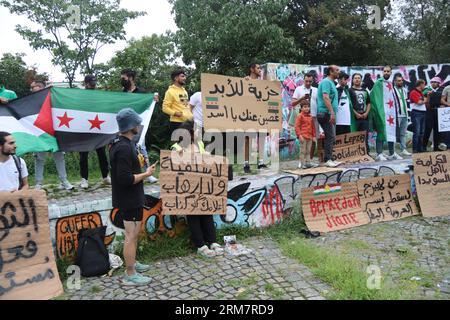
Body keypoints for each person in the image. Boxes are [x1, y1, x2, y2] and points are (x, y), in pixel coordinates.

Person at [109, 108, 156, 286]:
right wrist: (147, 174)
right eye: (136, 123)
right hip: (129, 198)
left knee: (134, 234)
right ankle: (130, 273)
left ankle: (132, 262)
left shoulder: (123, 144)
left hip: (131, 197)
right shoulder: (123, 148)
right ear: (131, 126)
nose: (139, 126)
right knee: (131, 235)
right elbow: (125, 179)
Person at [171, 120, 223, 257]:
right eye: (196, 129)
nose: (199, 131)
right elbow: (172, 167)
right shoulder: (176, 147)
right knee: (193, 215)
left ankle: (212, 241)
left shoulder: (199, 144)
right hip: (187, 187)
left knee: (207, 212)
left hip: (202, 183)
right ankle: (200, 245)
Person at [30, 80, 74, 190]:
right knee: (39, 158)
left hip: (53, 132)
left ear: (42, 88)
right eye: (32, 90)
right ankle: (38, 183)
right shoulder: (30, 101)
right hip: (39, 133)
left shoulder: (52, 97)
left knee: (59, 157)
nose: (33, 91)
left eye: (35, 89)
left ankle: (64, 180)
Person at [121, 69, 159, 184]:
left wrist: (153, 100)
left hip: (139, 125)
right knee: (129, 148)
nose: (122, 80)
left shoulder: (141, 92)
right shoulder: (121, 93)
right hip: (127, 126)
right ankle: (135, 173)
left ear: (131, 78)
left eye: (124, 78)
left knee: (141, 147)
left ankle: (148, 173)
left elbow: (148, 105)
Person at [79, 75, 111, 189]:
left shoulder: (99, 95)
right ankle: (84, 179)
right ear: (86, 84)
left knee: (102, 153)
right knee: (83, 155)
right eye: (91, 83)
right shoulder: (80, 96)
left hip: (97, 128)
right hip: (84, 129)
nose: (93, 85)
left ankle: (105, 176)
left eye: (94, 83)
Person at [370, 66, 403, 161]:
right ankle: (379, 153)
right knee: (381, 131)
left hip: (390, 112)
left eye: (388, 71)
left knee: (391, 131)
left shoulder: (390, 84)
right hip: (381, 112)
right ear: (382, 72)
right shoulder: (378, 83)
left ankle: (392, 153)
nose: (386, 73)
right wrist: (378, 112)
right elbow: (374, 98)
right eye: (385, 71)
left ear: (391, 73)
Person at [242, 63, 268, 173]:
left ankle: (261, 162)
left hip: (260, 115)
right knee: (247, 139)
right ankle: (246, 163)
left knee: (261, 137)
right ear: (252, 69)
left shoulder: (262, 83)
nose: (260, 70)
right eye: (258, 68)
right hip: (248, 115)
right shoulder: (245, 81)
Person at [316, 65, 341, 168]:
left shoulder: (331, 83)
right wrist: (331, 112)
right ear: (331, 72)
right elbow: (325, 97)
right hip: (325, 113)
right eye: (337, 70)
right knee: (330, 136)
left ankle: (330, 158)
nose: (339, 72)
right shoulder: (326, 82)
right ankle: (327, 160)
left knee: (331, 136)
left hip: (328, 113)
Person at [291, 73, 319, 162]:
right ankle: (302, 161)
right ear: (303, 80)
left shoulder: (316, 90)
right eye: (306, 81)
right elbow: (293, 103)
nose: (308, 83)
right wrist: (302, 99)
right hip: (302, 118)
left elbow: (319, 102)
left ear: (313, 81)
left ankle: (309, 160)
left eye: (310, 81)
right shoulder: (298, 89)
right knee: (303, 142)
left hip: (313, 117)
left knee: (313, 139)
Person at [162, 69, 193, 139]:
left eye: (184, 76)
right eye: (182, 76)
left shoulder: (184, 91)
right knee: (180, 147)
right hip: (177, 123)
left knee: (188, 147)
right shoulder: (170, 92)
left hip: (188, 122)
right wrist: (175, 113)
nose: (185, 78)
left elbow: (185, 106)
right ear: (176, 78)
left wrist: (190, 116)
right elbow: (165, 108)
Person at [349, 73, 371, 153]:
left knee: (365, 136)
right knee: (353, 136)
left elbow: (369, 103)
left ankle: (366, 153)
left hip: (365, 118)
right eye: (355, 78)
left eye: (359, 78)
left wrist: (366, 113)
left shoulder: (365, 91)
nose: (357, 79)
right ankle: (354, 154)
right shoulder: (350, 91)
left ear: (361, 80)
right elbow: (349, 104)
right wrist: (355, 113)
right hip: (354, 118)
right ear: (352, 80)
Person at [391, 75, 412, 157]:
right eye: (399, 81)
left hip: (405, 114)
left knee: (403, 133)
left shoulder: (404, 90)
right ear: (395, 82)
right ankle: (393, 151)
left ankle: (403, 149)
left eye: (402, 80)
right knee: (394, 134)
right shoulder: (392, 90)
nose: (401, 82)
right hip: (396, 115)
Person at [423, 77, 444, 152]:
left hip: (438, 111)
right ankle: (424, 147)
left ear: (439, 83)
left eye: (435, 82)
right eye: (432, 82)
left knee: (437, 130)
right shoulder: (427, 90)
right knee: (427, 129)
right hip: (429, 111)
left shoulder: (442, 90)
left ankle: (436, 147)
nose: (433, 83)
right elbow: (424, 98)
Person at [295, 100, 317, 169]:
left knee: (308, 151)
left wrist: (313, 136)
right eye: (305, 107)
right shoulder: (300, 116)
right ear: (301, 108)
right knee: (303, 151)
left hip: (309, 136)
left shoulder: (310, 117)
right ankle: (302, 164)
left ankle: (308, 163)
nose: (307, 108)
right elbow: (297, 126)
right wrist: (299, 135)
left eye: (308, 107)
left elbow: (313, 127)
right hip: (303, 136)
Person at [409, 79, 428, 153]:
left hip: (422, 113)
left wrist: (426, 98)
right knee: (417, 132)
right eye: (424, 84)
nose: (425, 86)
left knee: (421, 132)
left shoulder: (421, 93)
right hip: (416, 113)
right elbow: (419, 102)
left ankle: (420, 148)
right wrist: (425, 100)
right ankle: (415, 149)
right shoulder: (413, 92)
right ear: (420, 84)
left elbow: (423, 101)